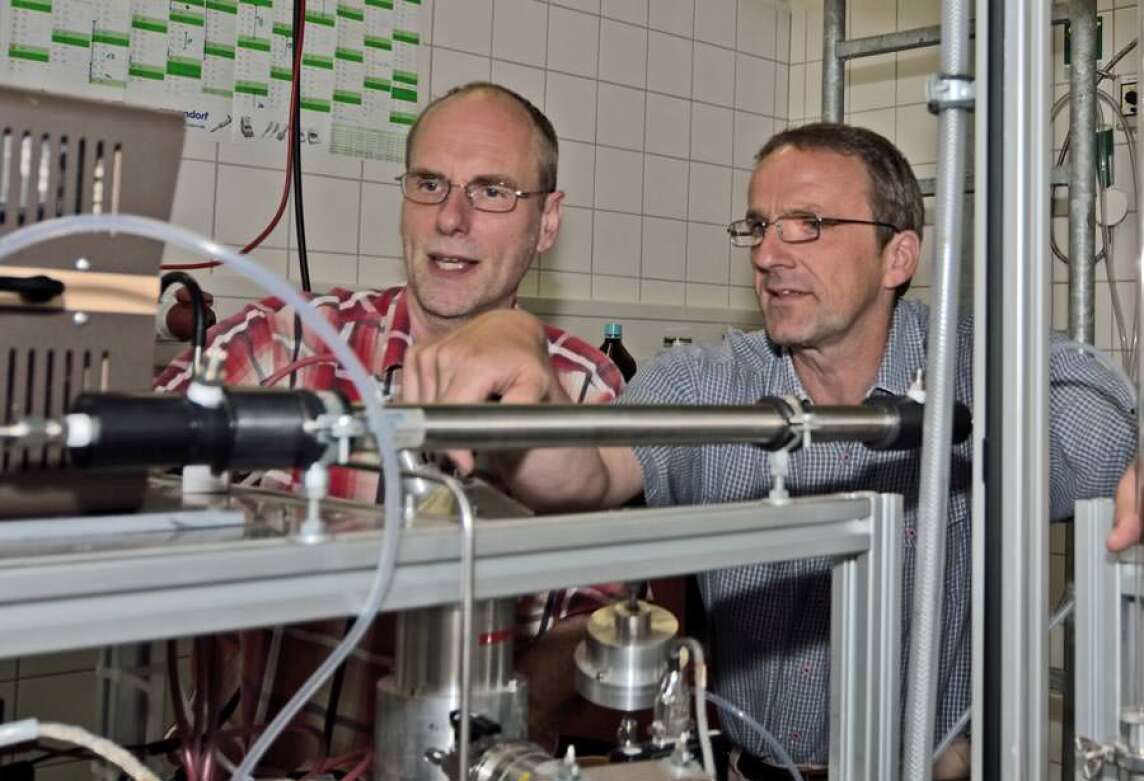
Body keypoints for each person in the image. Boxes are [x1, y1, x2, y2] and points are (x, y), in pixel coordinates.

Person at [399, 122, 1138, 780]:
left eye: (808, 224)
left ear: (897, 255)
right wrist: (520, 351)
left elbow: (1105, 433)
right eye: (759, 225)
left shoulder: (981, 371)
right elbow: (584, 472)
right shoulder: (706, 383)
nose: (770, 252)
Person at [155, 82, 625, 767]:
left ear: (546, 221)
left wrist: (452, 726)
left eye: (492, 190)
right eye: (430, 183)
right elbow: (139, 450)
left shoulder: (582, 386)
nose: (451, 218)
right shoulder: (296, 340)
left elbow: (592, 619)